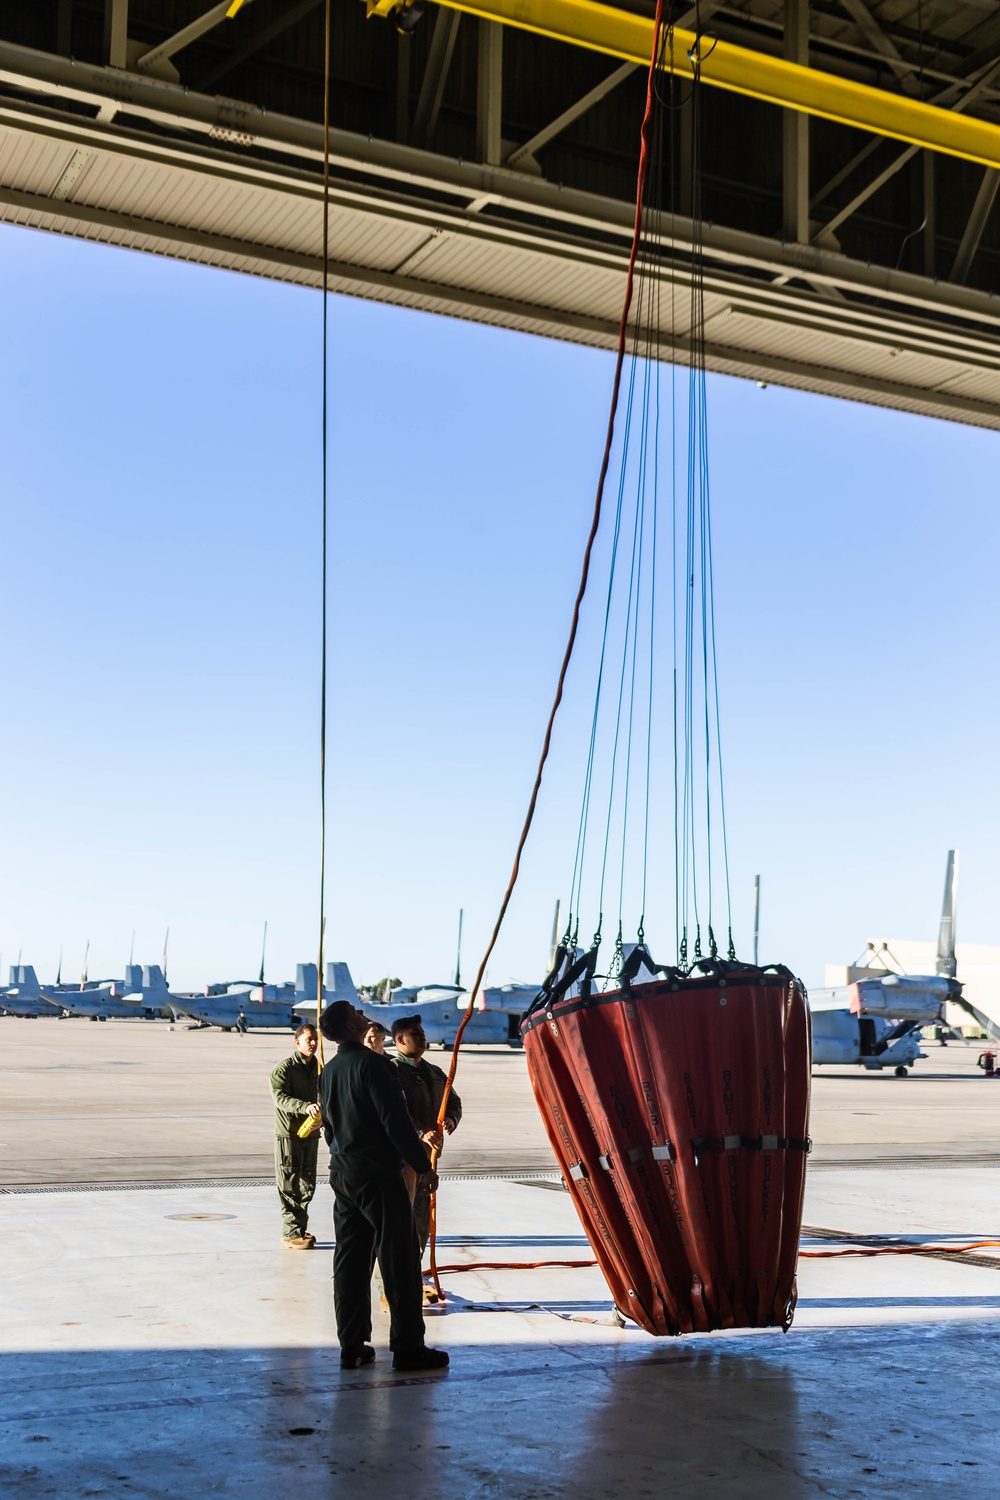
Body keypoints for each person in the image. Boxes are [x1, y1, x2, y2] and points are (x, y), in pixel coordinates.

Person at [319, 999, 449, 1373]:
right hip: (378, 1174)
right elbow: (395, 1122)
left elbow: (329, 1127)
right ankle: (408, 1348)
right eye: (357, 1014)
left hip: (344, 1174)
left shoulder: (329, 1070)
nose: (365, 1016)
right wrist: (421, 1166)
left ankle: (352, 1345)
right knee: (401, 1260)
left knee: (351, 1260)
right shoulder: (373, 1065)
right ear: (349, 1026)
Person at [390, 1014, 462, 1293]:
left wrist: (451, 1120)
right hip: (403, 1159)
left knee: (421, 1222)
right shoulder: (392, 1071)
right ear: (399, 1041)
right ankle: (395, 1284)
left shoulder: (434, 1071)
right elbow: (395, 1113)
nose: (422, 1037)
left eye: (422, 1032)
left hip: (428, 1161)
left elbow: (452, 1100)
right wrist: (421, 1132)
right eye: (414, 1033)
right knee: (401, 1221)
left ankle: (412, 1277)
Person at [269, 1022, 321, 1249]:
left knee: (307, 1182)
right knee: (290, 1182)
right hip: (289, 1135)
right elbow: (280, 1098)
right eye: (308, 1039)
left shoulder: (318, 1068)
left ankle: (299, 1228)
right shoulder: (284, 1069)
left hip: (310, 1132)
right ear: (297, 1041)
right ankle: (290, 1232)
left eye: (315, 1040)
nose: (312, 1043)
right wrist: (305, 1106)